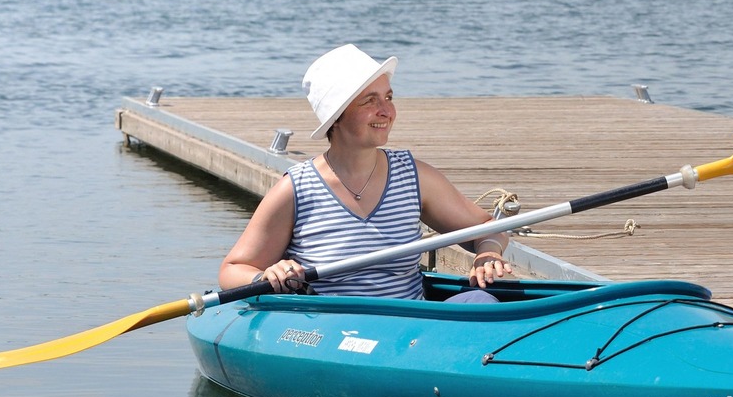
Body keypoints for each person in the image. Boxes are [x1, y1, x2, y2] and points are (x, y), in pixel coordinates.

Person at [219, 44, 513, 301]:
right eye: (370, 101)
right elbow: (232, 270)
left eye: (388, 97)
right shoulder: (296, 190)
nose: (386, 111)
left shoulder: (414, 178)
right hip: (332, 329)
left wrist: (487, 253)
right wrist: (266, 275)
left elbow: (489, 228)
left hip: (412, 327)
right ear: (336, 116)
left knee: (480, 301)